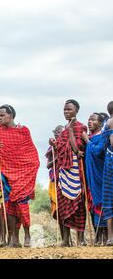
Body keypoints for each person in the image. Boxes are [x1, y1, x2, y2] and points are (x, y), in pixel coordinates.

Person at [0, 104, 39, 247]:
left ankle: (27, 235)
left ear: (11, 116)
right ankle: (13, 238)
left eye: (2, 115)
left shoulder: (23, 131)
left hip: (23, 174)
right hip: (6, 173)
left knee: (22, 204)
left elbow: (31, 153)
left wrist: (28, 171)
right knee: (8, 205)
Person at [50, 99, 87, 247]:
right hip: (63, 171)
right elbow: (60, 149)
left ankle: (80, 239)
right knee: (63, 205)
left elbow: (77, 147)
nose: (66, 112)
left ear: (76, 111)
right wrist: (54, 144)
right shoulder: (64, 129)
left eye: (69, 109)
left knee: (78, 204)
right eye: (65, 110)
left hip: (76, 170)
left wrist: (71, 132)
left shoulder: (80, 127)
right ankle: (65, 239)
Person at [82, 113, 108, 245]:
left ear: (100, 123)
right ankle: (98, 237)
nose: (89, 122)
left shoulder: (102, 136)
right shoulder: (90, 137)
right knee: (92, 206)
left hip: (100, 175)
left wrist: (87, 141)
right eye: (89, 119)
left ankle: (105, 236)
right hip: (90, 176)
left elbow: (98, 151)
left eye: (93, 120)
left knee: (102, 204)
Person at [103, 101, 113, 246]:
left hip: (109, 160)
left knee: (109, 198)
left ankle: (111, 237)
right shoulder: (110, 122)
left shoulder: (107, 122)